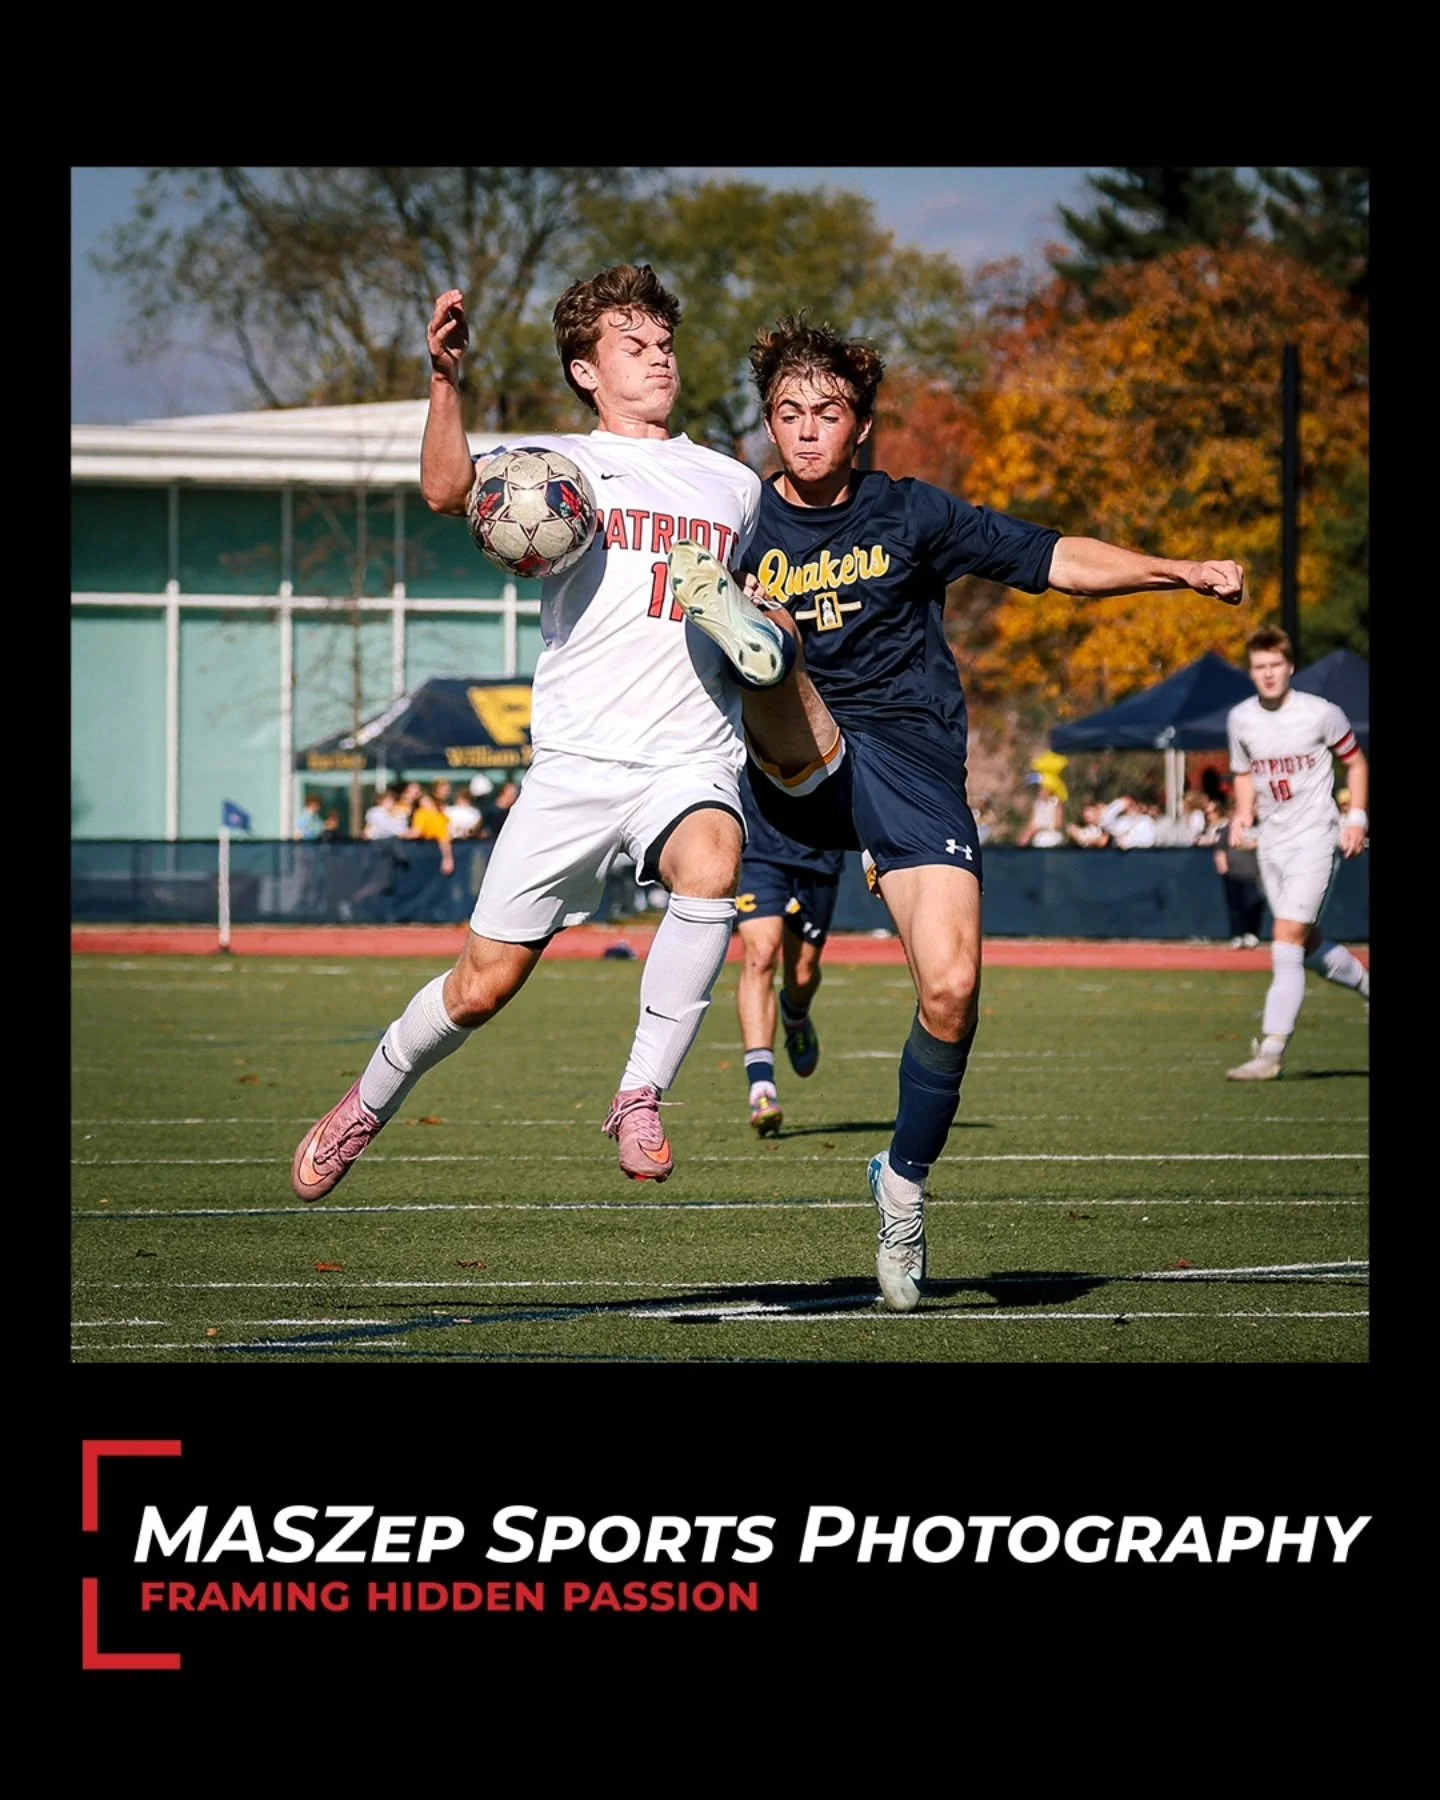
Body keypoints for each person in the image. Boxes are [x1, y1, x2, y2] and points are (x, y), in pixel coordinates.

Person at [664, 312, 1246, 1310]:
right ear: (768, 422)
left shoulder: (910, 513)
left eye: (828, 414)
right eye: (787, 414)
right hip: (794, 761)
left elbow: (1051, 556)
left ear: (860, 427)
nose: (805, 432)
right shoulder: (738, 518)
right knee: (773, 649)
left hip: (912, 766)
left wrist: (1179, 570)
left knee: (953, 991)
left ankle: (902, 1184)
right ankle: (755, 637)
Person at [292, 264, 776, 1201]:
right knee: (481, 986)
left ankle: (641, 1094)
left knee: (713, 863)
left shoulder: (732, 485)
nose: (659, 360)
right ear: (587, 370)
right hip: (574, 765)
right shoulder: (553, 467)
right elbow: (445, 492)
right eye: (634, 347)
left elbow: (760, 604)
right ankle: (366, 1101)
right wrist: (444, 379)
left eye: (665, 345)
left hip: (689, 758)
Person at [1223, 625, 1369, 1079]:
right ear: (1252, 671)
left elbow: (1356, 762)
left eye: (1275, 666)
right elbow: (1243, 771)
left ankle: (1270, 1051)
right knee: (1306, 943)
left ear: (1290, 668)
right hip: (1273, 843)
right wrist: (1243, 813)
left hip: (1316, 838)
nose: (1268, 674)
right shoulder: (1241, 718)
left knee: (1285, 941)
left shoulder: (1320, 713)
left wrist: (1357, 818)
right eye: (1259, 667)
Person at [734, 762, 846, 1134]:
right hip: (758, 848)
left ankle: (794, 1012)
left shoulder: (835, 702)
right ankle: (761, 1087)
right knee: (760, 954)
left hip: (819, 848)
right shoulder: (748, 700)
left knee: (801, 974)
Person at [1213, 803, 1264, 949]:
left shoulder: (1260, 829)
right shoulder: (1228, 829)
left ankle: (1251, 934)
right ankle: (1237, 935)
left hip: (1254, 875)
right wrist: (1223, 869)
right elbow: (1221, 851)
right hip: (1234, 874)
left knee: (1254, 904)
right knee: (1235, 906)